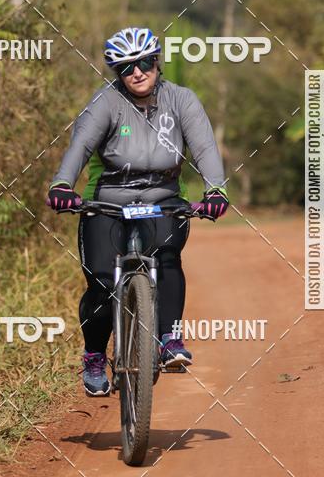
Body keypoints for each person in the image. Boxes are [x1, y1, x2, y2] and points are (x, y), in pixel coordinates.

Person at [46, 27, 229, 396]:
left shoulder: (182, 100)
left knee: (167, 257)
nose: (138, 72)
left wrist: (215, 189)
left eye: (144, 63)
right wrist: (62, 184)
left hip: (163, 198)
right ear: (118, 73)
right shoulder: (106, 102)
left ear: (156, 62)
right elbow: (80, 146)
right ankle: (94, 356)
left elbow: (204, 148)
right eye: (127, 68)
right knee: (101, 282)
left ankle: (169, 339)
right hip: (108, 201)